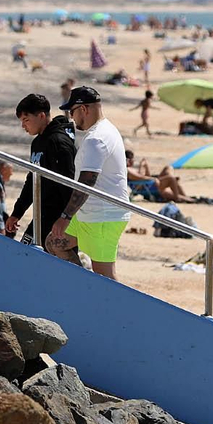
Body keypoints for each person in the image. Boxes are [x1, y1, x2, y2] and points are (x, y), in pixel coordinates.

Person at [48, 87, 129, 280]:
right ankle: (82, 285)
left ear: (84, 109)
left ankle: (117, 309)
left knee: (105, 278)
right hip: (91, 213)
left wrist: (65, 216)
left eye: (72, 112)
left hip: (103, 216)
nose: (71, 118)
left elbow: (87, 181)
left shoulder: (97, 139)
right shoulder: (105, 129)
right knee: (54, 242)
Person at [7, 94, 79, 261]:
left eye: (26, 120)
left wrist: (66, 219)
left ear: (41, 116)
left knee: (29, 259)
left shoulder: (59, 142)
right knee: (24, 256)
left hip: (59, 220)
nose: (23, 126)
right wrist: (17, 213)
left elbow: (68, 185)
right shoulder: (38, 142)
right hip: (42, 215)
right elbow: (32, 180)